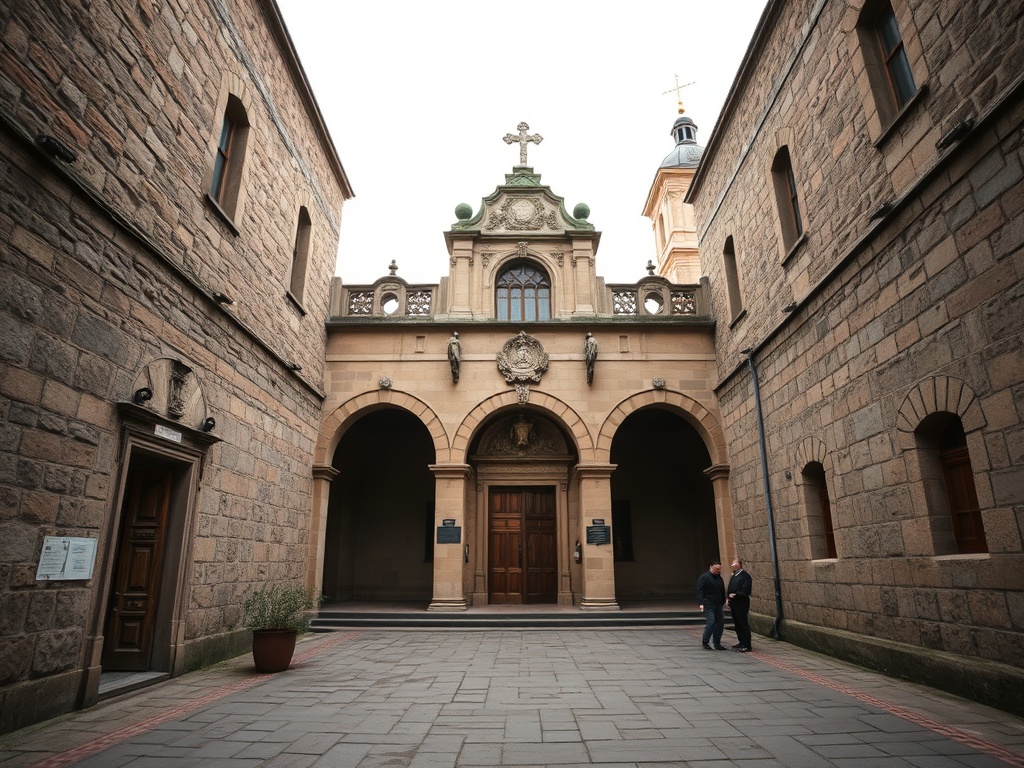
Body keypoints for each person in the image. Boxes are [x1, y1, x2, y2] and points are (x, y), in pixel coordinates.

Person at [696, 561, 726, 650]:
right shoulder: (705, 577)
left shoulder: (719, 578)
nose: (718, 570)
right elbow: (700, 590)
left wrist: (723, 600)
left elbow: (721, 590)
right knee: (711, 622)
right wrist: (701, 603)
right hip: (709, 602)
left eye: (719, 569)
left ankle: (717, 642)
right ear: (711, 567)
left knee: (720, 623)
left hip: (718, 603)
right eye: (716, 569)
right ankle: (705, 641)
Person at [727, 558, 753, 652]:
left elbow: (746, 590)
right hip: (734, 602)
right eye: (733, 563)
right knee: (737, 623)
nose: (733, 564)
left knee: (742, 623)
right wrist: (728, 598)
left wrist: (736, 594)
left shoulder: (745, 576)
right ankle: (741, 641)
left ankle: (747, 644)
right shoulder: (734, 576)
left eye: (735, 563)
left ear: (739, 564)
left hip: (741, 602)